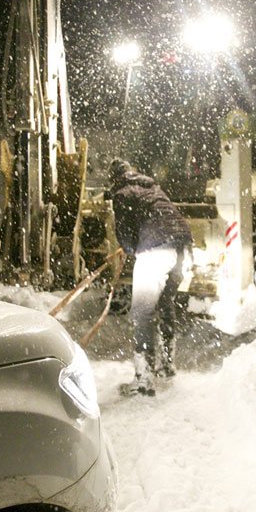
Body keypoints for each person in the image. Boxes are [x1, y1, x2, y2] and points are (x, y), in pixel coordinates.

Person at [108, 158, 193, 396]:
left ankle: (143, 379)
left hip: (156, 248)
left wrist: (129, 248)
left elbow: (125, 235)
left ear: (114, 178)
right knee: (165, 303)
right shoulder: (153, 187)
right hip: (182, 246)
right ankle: (166, 364)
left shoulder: (122, 193)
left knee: (142, 312)